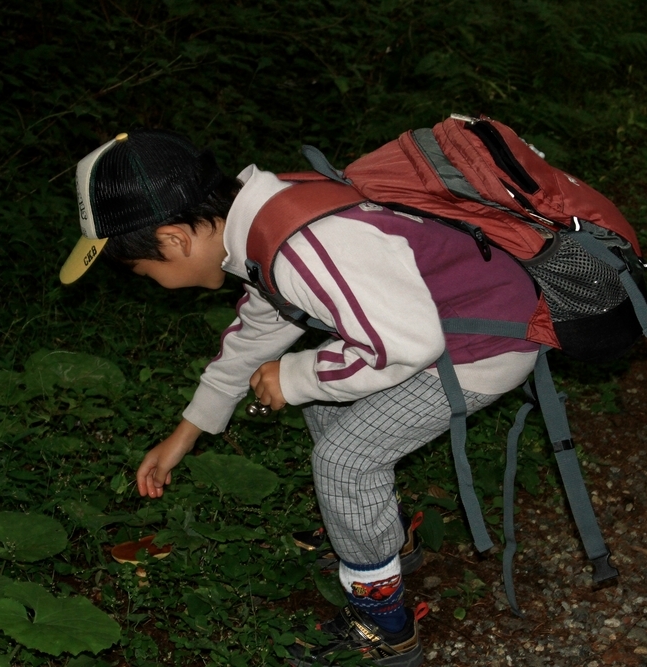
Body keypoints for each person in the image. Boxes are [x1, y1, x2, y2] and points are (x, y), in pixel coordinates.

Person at [60, 128, 541, 667]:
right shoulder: (261, 221)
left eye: (144, 272)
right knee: (323, 403)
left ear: (173, 241)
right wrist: (186, 431)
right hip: (442, 330)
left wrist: (295, 376)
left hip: (484, 347)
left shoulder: (302, 248)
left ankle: (384, 625)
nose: (150, 280)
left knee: (344, 461)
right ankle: (384, 535)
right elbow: (260, 331)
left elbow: (407, 345)